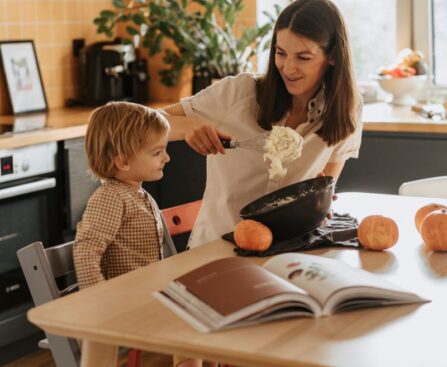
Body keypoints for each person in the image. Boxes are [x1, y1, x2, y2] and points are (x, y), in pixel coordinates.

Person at [162, 0, 362, 248]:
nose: (288, 68)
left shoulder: (346, 109)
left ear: (332, 56)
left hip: (291, 248)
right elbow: (144, 121)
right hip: (217, 247)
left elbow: (324, 187)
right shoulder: (237, 93)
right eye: (280, 53)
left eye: (303, 57)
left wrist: (319, 205)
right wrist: (187, 126)